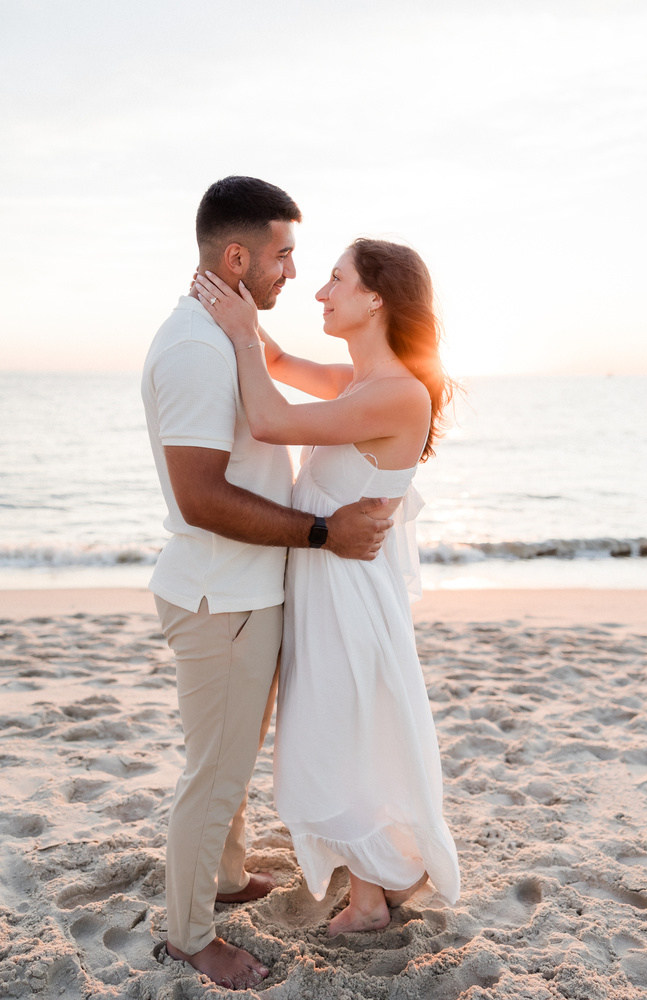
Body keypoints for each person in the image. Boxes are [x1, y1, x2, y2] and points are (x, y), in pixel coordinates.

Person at [141, 177, 393, 990]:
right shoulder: (194, 346)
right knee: (211, 775)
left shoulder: (224, 336)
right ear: (238, 255)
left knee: (230, 759)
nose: (293, 271)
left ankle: (220, 878)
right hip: (221, 597)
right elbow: (202, 496)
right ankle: (188, 936)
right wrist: (321, 531)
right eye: (284, 255)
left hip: (246, 593)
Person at [193, 236, 461, 938]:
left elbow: (269, 417)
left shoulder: (398, 393)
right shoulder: (358, 382)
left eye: (335, 280)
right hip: (325, 587)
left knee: (340, 735)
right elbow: (276, 364)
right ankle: (376, 887)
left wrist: (242, 335)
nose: (319, 291)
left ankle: (371, 901)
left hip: (347, 598)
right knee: (341, 733)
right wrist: (238, 300)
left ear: (375, 296)